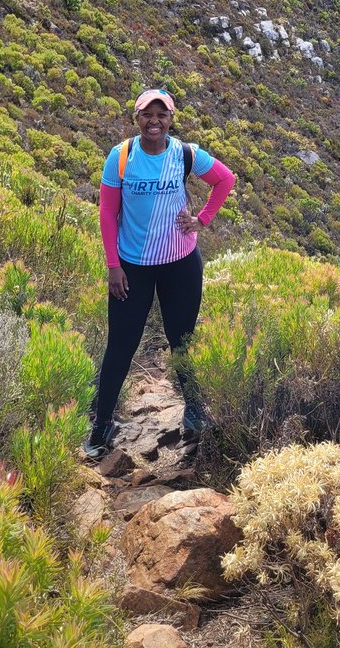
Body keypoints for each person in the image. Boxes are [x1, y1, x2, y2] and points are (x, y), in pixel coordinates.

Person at [83, 88, 236, 459]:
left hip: (180, 264)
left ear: (171, 118)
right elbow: (107, 213)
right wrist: (113, 266)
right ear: (136, 118)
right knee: (121, 344)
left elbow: (225, 179)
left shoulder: (185, 154)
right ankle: (103, 423)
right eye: (146, 115)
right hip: (132, 267)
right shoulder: (121, 157)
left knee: (182, 339)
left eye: (161, 115)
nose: (154, 121)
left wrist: (202, 220)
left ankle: (195, 409)